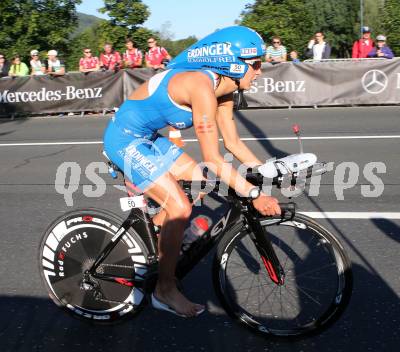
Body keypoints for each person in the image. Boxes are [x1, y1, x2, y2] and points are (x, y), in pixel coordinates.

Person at [103, 26, 281, 318]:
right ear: (233, 64)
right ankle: (164, 289)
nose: (261, 71)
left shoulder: (225, 88)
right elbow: (212, 157)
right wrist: (254, 194)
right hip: (124, 139)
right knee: (180, 207)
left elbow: (233, 144)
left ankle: (159, 235)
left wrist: (268, 172)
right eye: (256, 64)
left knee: (203, 181)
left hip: (148, 137)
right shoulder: (201, 87)